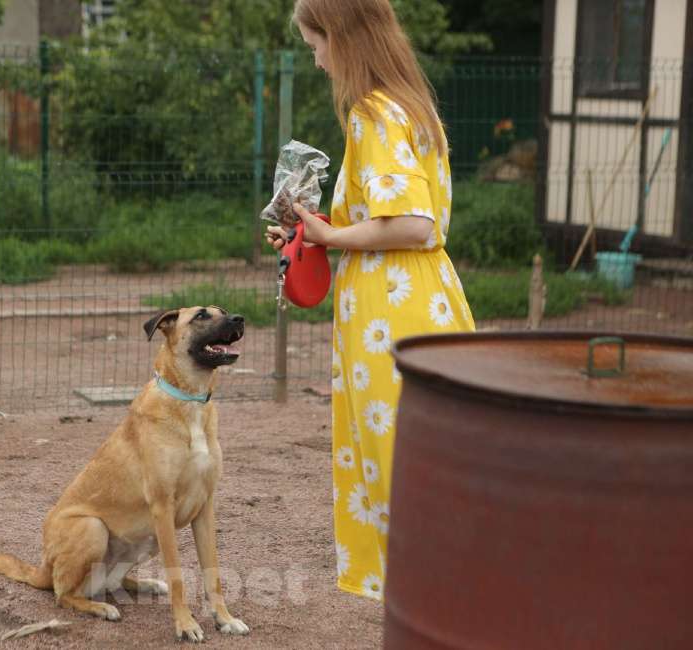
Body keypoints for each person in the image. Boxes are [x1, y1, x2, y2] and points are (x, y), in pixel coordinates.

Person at [266, 0, 475, 601]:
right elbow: (405, 221)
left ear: (342, 36)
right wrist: (321, 234)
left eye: (316, 44)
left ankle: (431, 598)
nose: (317, 59)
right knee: (435, 449)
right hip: (425, 292)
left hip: (390, 306)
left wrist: (331, 236)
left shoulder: (371, 112)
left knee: (397, 457)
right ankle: (453, 585)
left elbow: (411, 222)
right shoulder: (412, 105)